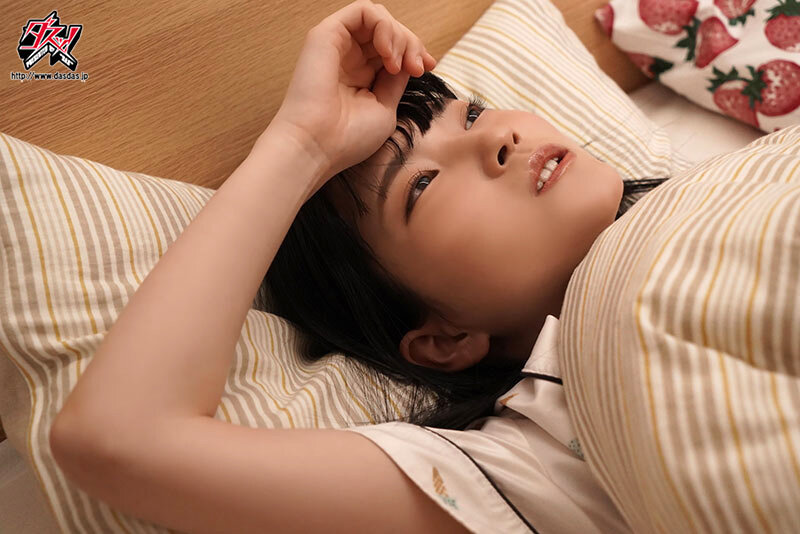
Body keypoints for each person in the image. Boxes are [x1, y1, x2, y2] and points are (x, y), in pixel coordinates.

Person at [49, 0, 656, 532]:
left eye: (470, 115)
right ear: (444, 341)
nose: (495, 140)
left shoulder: (693, 193)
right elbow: (119, 438)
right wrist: (302, 144)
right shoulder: (528, 464)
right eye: (421, 186)